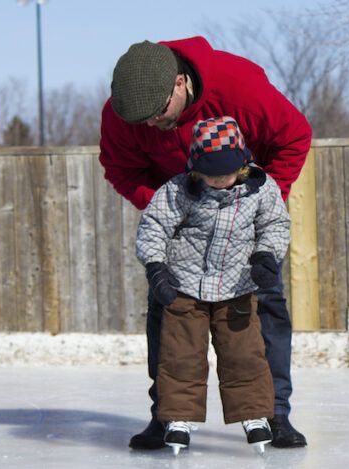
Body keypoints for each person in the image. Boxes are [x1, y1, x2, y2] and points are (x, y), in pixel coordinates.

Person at [100, 37, 312, 449]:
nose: (150, 125)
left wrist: (259, 206)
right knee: (169, 320)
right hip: (184, 234)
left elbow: (295, 138)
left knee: (262, 308)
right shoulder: (124, 113)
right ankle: (165, 417)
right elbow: (120, 169)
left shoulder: (239, 87)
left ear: (181, 83)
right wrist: (175, 213)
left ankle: (275, 413)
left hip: (245, 221)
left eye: (158, 113)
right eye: (140, 119)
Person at [136, 116, 290, 455]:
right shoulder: (178, 190)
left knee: (244, 354)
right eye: (212, 174)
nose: (220, 181)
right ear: (195, 167)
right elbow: (153, 228)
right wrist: (157, 269)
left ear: (243, 162)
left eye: (227, 172)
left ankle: (255, 415)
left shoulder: (261, 190)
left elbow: (275, 225)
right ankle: (177, 418)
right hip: (185, 288)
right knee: (180, 356)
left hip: (237, 287)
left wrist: (266, 256)